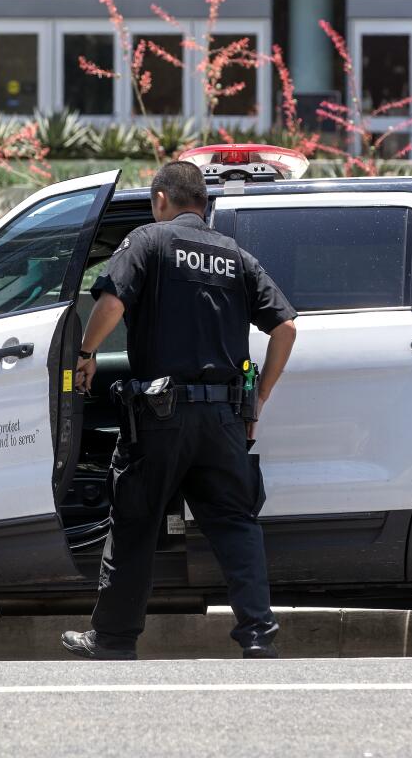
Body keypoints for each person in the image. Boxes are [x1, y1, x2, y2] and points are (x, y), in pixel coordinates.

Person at [62, 160, 297, 661]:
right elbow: (286, 328)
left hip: (160, 417)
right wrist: (262, 395)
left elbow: (111, 302)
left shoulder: (150, 240)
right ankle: (258, 635)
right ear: (204, 205)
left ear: (163, 199)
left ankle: (113, 640)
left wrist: (85, 354)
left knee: (135, 522)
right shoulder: (235, 256)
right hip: (223, 420)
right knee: (235, 524)